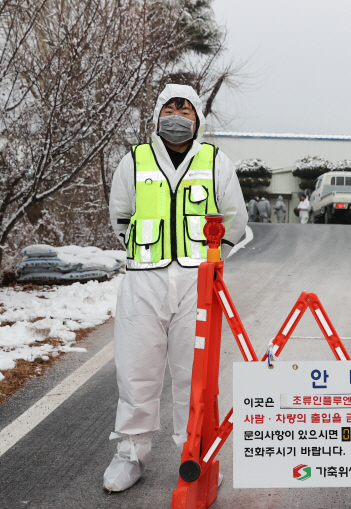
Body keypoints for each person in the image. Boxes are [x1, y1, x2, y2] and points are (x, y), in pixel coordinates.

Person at [105, 84, 247, 492]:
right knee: (136, 370)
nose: (177, 113)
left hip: (198, 282)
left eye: (185, 108)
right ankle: (131, 455)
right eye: (170, 106)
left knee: (195, 375)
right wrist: (147, 254)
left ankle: (197, 455)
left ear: (197, 118)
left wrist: (209, 262)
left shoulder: (215, 161)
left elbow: (235, 219)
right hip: (143, 278)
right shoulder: (134, 161)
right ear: (156, 114)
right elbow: (121, 217)